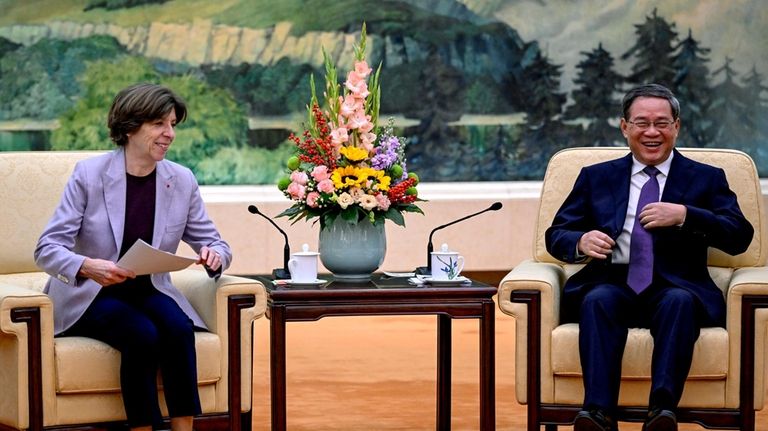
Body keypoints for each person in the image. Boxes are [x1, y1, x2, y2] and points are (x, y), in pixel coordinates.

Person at [545, 83, 754, 431]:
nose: (652, 132)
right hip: (612, 280)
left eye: (662, 123)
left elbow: (739, 236)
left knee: (679, 302)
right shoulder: (597, 177)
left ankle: (662, 411)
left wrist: (687, 215)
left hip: (677, 283)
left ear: (676, 126)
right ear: (624, 127)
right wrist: (580, 240)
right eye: (641, 123)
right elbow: (556, 234)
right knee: (596, 299)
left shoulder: (706, 178)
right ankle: (597, 414)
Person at [35, 83, 231, 431]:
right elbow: (47, 248)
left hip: (148, 288)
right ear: (130, 126)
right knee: (141, 334)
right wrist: (87, 266)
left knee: (178, 328)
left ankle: (183, 428)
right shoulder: (89, 175)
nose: (169, 134)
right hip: (91, 294)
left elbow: (216, 242)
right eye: (159, 124)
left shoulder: (181, 179)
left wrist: (214, 255)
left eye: (172, 124)